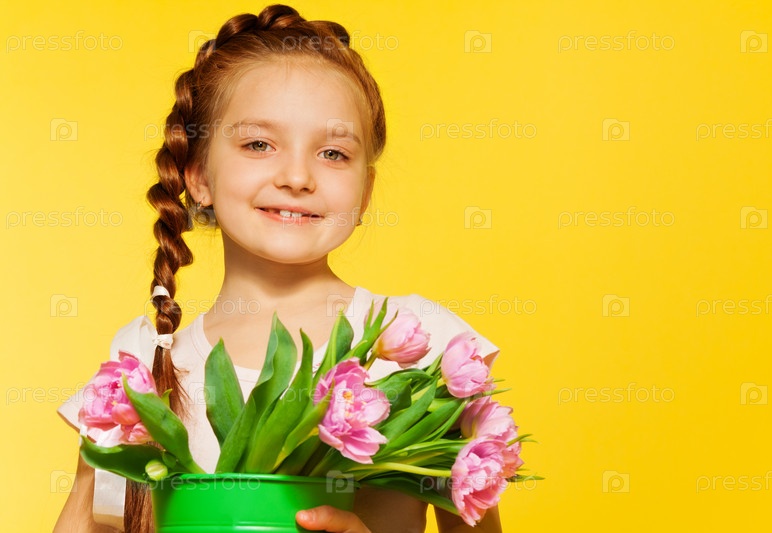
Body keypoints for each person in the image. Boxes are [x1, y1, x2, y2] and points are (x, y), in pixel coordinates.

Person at [54, 4, 503, 532]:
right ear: (198, 177)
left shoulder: (425, 345)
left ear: (365, 192)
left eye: (333, 153)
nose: (297, 176)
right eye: (259, 144)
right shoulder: (137, 373)